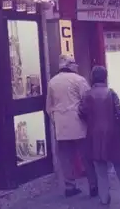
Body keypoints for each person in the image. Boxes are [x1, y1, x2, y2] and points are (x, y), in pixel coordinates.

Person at [79, 66, 120, 205]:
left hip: (94, 134)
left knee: (100, 168)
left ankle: (104, 197)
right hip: (112, 133)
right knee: (119, 165)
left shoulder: (87, 95)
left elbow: (81, 111)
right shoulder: (111, 93)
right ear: (105, 77)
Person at [46, 55, 97, 197]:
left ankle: (70, 186)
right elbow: (88, 101)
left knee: (65, 157)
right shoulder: (79, 80)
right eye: (75, 64)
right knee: (86, 156)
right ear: (69, 65)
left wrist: (56, 120)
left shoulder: (52, 82)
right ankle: (93, 185)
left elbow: (49, 107)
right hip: (79, 124)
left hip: (61, 126)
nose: (77, 66)